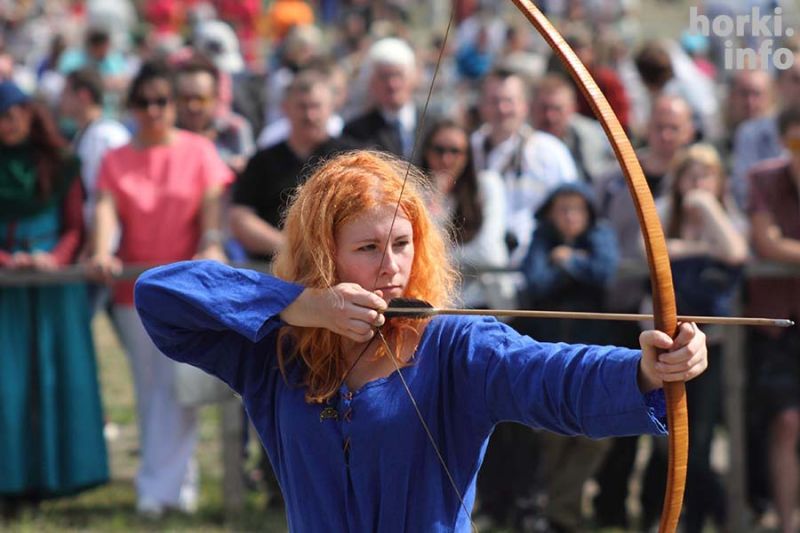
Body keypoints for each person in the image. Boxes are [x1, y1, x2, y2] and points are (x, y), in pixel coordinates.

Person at [133, 150, 709, 532]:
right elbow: (159, 296)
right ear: (322, 256)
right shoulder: (276, 352)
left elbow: (551, 375)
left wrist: (647, 370)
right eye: (368, 248)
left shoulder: (455, 346)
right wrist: (299, 306)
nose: (391, 267)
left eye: (402, 244)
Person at [87, 60, 233, 518]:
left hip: (184, 290)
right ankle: (162, 485)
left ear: (173, 105)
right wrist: (101, 249)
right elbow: (105, 209)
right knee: (149, 388)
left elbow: (212, 207)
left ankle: (169, 485)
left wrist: (212, 242)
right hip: (132, 290)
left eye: (162, 101)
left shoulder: (200, 151)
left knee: (181, 387)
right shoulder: (115, 159)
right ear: (131, 106)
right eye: (143, 101)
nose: (153, 110)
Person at [0, 81, 108, 516]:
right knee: (7, 383)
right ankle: (8, 482)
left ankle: (53, 479)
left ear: (30, 114)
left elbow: (75, 227)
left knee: (53, 376)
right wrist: (8, 260)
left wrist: (54, 259)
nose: (6, 125)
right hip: (5, 289)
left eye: (11, 115)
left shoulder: (61, 163)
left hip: (54, 285)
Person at [516, 181, 619, 532]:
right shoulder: (542, 237)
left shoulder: (600, 234)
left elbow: (605, 272)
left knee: (596, 438)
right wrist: (575, 268)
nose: (570, 216)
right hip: (549, 355)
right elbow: (536, 281)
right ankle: (558, 514)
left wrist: (567, 259)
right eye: (562, 209)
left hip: (594, 355)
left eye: (577, 209)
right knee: (552, 434)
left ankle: (560, 511)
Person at [229, 68, 358, 261]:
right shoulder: (262, 161)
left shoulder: (350, 158)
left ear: (331, 108)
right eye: (302, 107)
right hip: (274, 264)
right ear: (285, 108)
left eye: (316, 106)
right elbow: (240, 216)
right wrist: (289, 248)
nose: (309, 115)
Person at [746, 106, 800, 533]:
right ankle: (785, 524)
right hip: (779, 324)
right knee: (785, 423)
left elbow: (779, 244)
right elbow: (765, 243)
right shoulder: (763, 178)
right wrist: (778, 244)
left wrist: (787, 247)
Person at [418, 117, 507, 308]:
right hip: (436, 302)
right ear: (426, 151)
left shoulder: (487, 186)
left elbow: (489, 253)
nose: (446, 159)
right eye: (439, 150)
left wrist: (437, 258)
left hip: (482, 301)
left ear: (468, 156)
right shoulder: (416, 193)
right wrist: (437, 199)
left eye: (455, 151)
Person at [343, 37, 421, 159]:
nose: (392, 84)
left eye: (398, 75)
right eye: (384, 77)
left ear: (413, 77)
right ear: (371, 82)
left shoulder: (433, 126)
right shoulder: (355, 133)